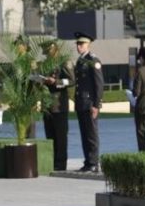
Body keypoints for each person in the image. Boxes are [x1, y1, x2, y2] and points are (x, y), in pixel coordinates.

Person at [73, 32, 103, 172]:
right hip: (81, 103)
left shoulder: (93, 60)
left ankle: (94, 162)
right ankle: (87, 161)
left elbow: (98, 84)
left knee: (91, 134)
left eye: (82, 44)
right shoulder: (80, 61)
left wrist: (96, 105)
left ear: (88, 45)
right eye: (78, 44)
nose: (79, 47)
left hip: (90, 103)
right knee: (84, 134)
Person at [42, 40, 72, 171]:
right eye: (46, 51)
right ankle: (52, 161)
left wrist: (56, 82)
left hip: (59, 105)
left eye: (50, 50)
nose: (48, 52)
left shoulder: (64, 62)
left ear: (56, 50)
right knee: (50, 135)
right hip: (47, 105)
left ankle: (60, 164)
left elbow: (71, 80)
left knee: (60, 137)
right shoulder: (45, 64)